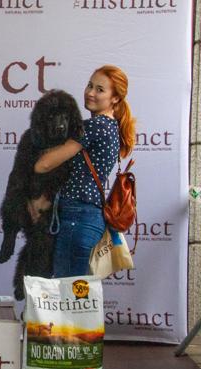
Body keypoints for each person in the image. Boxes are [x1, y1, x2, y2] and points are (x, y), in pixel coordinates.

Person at [34, 65, 135, 278]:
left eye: (100, 89)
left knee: (67, 297)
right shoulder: (110, 126)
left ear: (115, 98)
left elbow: (43, 165)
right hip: (87, 217)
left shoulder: (94, 126)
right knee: (77, 298)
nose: (90, 92)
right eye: (90, 85)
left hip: (76, 217)